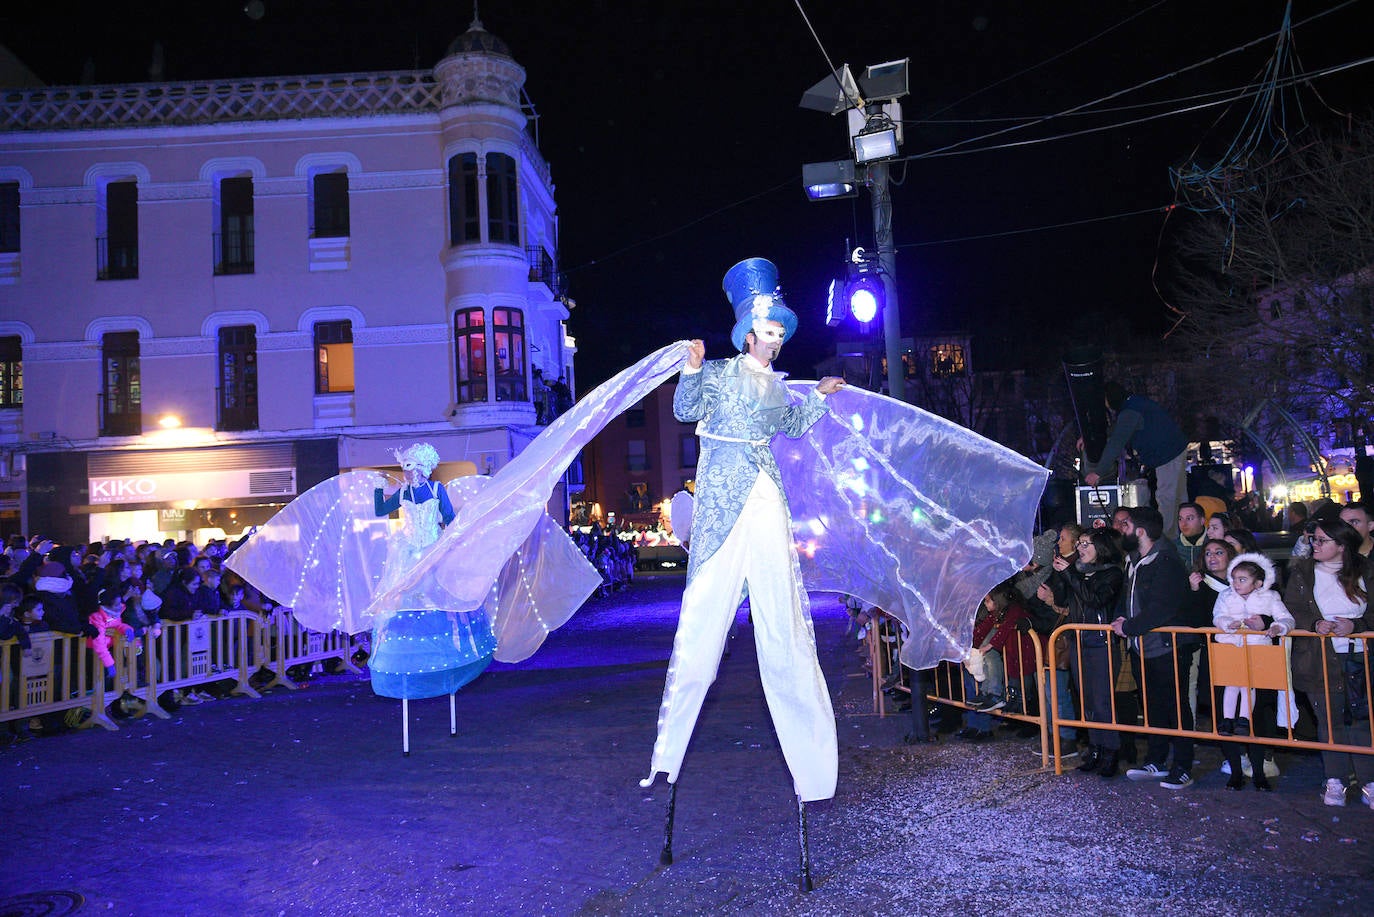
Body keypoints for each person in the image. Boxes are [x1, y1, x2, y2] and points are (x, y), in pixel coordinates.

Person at [638, 257, 844, 812]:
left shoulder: (779, 389)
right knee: (702, 618)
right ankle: (668, 756)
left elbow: (795, 426)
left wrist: (820, 396)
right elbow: (684, 408)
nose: (776, 342)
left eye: (781, 334)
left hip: (765, 499)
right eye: (770, 333)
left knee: (785, 625)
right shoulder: (720, 375)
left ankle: (813, 767)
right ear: (748, 333)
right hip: (723, 500)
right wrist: (690, 367)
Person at [369, 442, 497, 702]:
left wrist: (453, 545)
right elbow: (380, 510)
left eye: (413, 467)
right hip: (407, 551)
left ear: (424, 468)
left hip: (432, 549)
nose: (409, 473)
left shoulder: (437, 489)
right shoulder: (404, 491)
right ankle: (412, 655)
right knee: (405, 599)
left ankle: (445, 654)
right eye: (407, 468)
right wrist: (378, 488)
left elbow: (449, 517)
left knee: (438, 598)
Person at [1283, 516, 1374, 808]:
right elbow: (1291, 609)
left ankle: (1368, 779)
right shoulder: (1302, 572)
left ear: (1342, 545)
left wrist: (1356, 626)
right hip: (1318, 656)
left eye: (1322, 540)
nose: (1314, 544)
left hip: (1358, 655)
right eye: (1313, 539)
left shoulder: (1366, 571)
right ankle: (1335, 779)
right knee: (1329, 721)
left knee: (1361, 719)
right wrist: (1315, 622)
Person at [1112, 506, 1196, 790]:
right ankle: (1157, 759)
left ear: (1141, 531)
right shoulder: (1135, 560)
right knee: (1153, 707)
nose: (1122, 530)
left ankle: (1183, 765)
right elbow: (1128, 598)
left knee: (1176, 707)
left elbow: (1161, 608)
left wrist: (1129, 627)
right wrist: (1123, 620)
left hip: (1166, 647)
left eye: (1126, 526)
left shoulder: (1166, 562)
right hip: (1142, 648)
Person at [1050, 528, 1126, 775]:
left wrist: (1070, 574)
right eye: (1080, 543)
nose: (1080, 548)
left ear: (1101, 548)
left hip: (1101, 644)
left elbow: (1095, 599)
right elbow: (1063, 600)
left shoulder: (1112, 573)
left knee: (1103, 701)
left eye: (1086, 544)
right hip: (1078, 642)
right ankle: (1095, 747)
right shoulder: (1078, 572)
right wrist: (1061, 575)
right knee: (1087, 701)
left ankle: (1111, 751)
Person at [1084, 382, 1188, 539]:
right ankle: (1185, 536)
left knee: (1167, 497)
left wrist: (1098, 472)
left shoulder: (1130, 411)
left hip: (1167, 454)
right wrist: (1089, 438)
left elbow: (1116, 442)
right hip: (1175, 448)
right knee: (1178, 497)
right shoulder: (1135, 404)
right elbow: (1118, 429)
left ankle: (1167, 541)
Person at [1212, 553, 1293, 737]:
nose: (1236, 583)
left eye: (1242, 579)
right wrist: (1226, 623)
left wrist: (1278, 627)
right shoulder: (1226, 596)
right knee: (1231, 683)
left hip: (1257, 647)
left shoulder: (1270, 597)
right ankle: (1227, 719)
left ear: (1257, 583)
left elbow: (1286, 618)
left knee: (1249, 684)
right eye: (1234, 579)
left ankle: (1244, 718)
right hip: (1231, 646)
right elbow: (1218, 615)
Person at [1174, 502, 1207, 571]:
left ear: (1202, 521)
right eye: (1180, 519)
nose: (1184, 524)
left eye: (1189, 518)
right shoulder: (1173, 547)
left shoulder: (1213, 543)